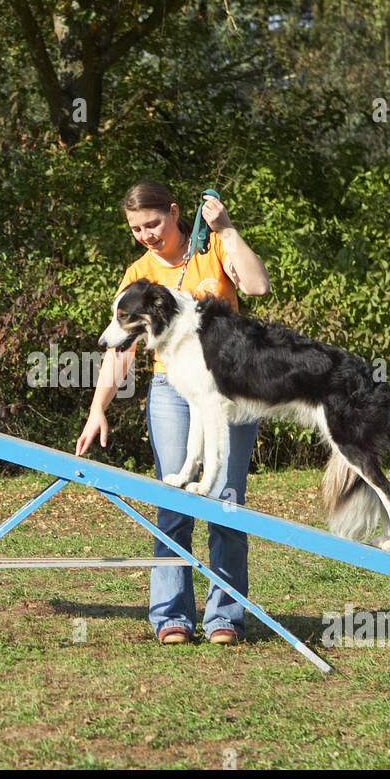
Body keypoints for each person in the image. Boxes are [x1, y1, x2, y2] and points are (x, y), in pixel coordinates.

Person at [75, 180, 271, 645]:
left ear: (175, 212)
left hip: (228, 390)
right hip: (170, 389)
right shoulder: (138, 272)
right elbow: (121, 348)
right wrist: (97, 409)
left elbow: (259, 286)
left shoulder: (211, 249)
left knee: (226, 500)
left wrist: (225, 228)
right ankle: (172, 616)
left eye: (153, 223)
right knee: (174, 502)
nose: (145, 234)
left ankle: (225, 617)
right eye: (136, 228)